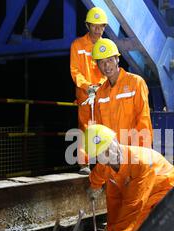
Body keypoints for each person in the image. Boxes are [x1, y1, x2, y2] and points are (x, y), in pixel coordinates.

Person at [91, 38, 153, 149]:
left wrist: (140, 154)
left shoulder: (136, 83)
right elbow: (99, 128)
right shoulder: (100, 94)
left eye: (110, 60)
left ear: (117, 59)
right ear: (98, 65)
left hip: (133, 152)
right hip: (112, 156)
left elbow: (143, 120)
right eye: (102, 62)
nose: (106, 66)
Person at [70, 7, 108, 175]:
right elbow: (75, 70)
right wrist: (87, 87)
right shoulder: (77, 45)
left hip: (102, 94)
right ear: (87, 26)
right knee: (85, 127)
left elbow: (110, 69)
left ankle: (104, 163)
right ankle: (84, 164)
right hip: (85, 95)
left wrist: (99, 86)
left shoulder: (106, 47)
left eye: (101, 26)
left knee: (104, 127)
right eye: (94, 25)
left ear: (105, 27)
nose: (97, 29)